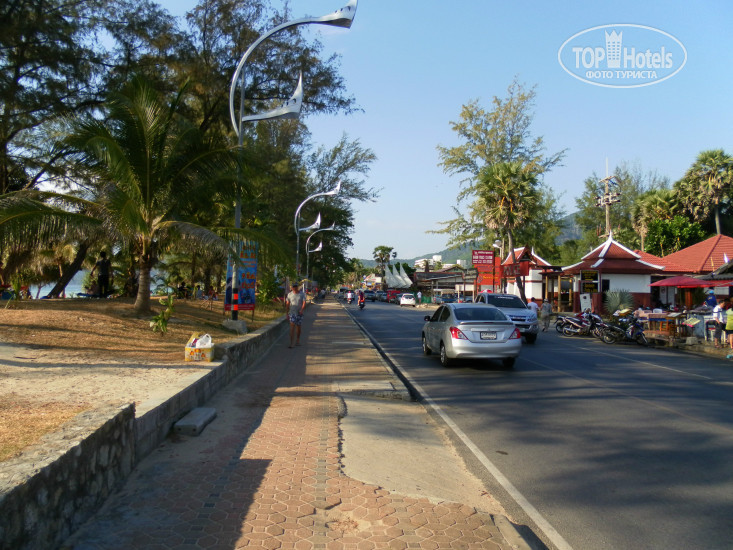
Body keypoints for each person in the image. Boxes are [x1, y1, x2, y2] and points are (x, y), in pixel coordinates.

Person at [285, 282, 306, 348]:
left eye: (296, 286)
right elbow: (287, 304)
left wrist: (302, 310)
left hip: (299, 313)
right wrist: (286, 313)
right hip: (292, 313)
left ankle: (297, 340)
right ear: (292, 288)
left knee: (298, 327)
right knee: (292, 327)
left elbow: (304, 303)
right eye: (293, 287)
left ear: (297, 287)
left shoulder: (302, 294)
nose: (294, 288)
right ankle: (291, 343)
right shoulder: (289, 294)